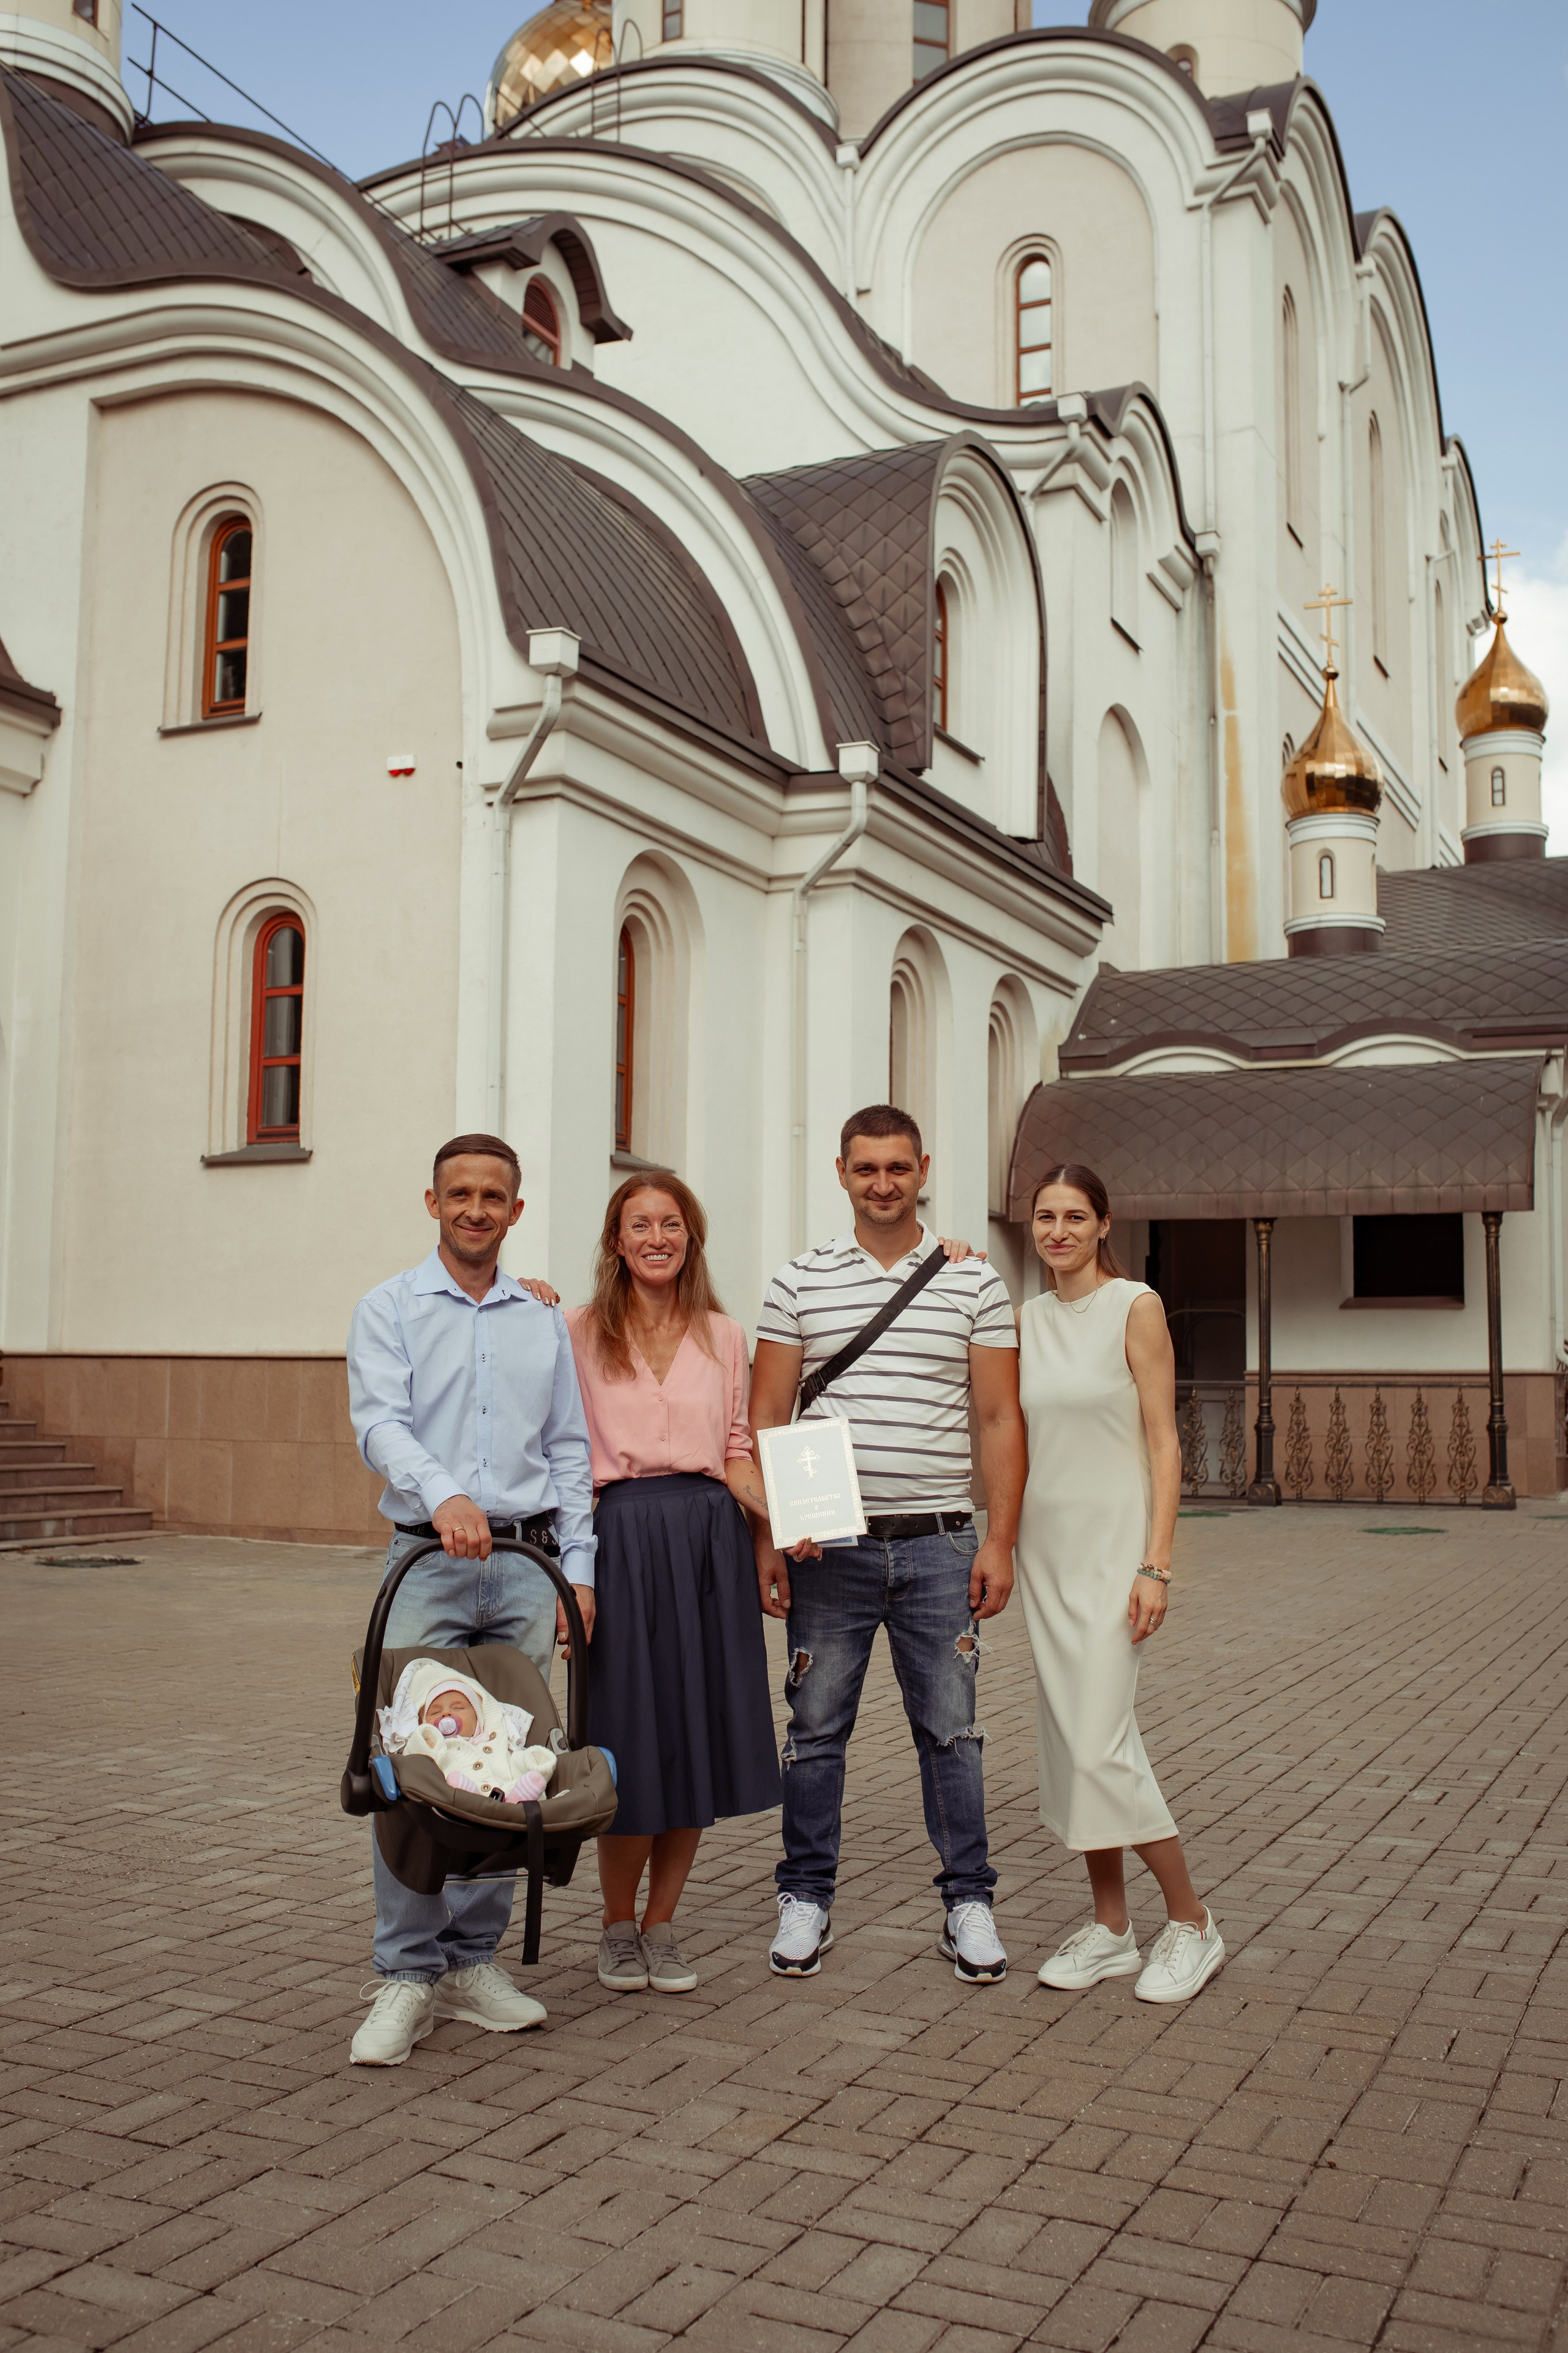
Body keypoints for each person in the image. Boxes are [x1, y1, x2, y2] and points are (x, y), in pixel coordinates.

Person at [750, 1104, 1025, 1985]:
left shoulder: (974, 1282)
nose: (881, 1182)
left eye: (897, 1167)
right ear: (840, 1172)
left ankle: (968, 1901)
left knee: (954, 1731)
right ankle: (805, 1896)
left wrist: (1001, 1539)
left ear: (923, 1168)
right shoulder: (798, 1280)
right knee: (815, 1728)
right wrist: (769, 1534)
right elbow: (765, 1418)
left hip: (941, 1542)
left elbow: (997, 1416)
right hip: (828, 1550)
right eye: (865, 1168)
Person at [345, 1132, 597, 2066]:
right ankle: (406, 1972)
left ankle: (472, 1962)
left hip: (530, 1570)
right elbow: (379, 1421)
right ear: (433, 1201)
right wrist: (443, 1492)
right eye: (460, 1193)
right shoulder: (390, 1307)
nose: (476, 1208)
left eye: (494, 1195)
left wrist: (583, 1571)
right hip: (429, 1562)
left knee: (515, 1763)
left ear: (517, 1211)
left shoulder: (543, 1322)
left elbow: (570, 1451)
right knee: (409, 1767)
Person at [565, 1176, 780, 1996]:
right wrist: (570, 1575)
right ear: (616, 1240)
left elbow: (736, 1446)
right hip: (618, 1537)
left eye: (672, 1224)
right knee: (626, 1740)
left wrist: (779, 1519)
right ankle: (615, 1925)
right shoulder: (576, 1330)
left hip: (706, 1543)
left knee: (693, 1736)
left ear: (692, 1237)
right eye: (639, 1224)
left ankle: (661, 1924)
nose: (656, 1236)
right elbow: (561, 1451)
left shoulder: (725, 1334)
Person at [1017, 1163, 1223, 2004]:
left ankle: (1194, 1921)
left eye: (1074, 1216)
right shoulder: (1024, 1316)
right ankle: (1111, 1928)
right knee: (1070, 1739)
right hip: (1045, 1548)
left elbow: (1163, 1443)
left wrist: (1157, 1561)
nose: (1057, 1230)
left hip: (1115, 1549)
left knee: (1102, 1741)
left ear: (1105, 1223)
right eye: (1043, 1217)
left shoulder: (1135, 1306)